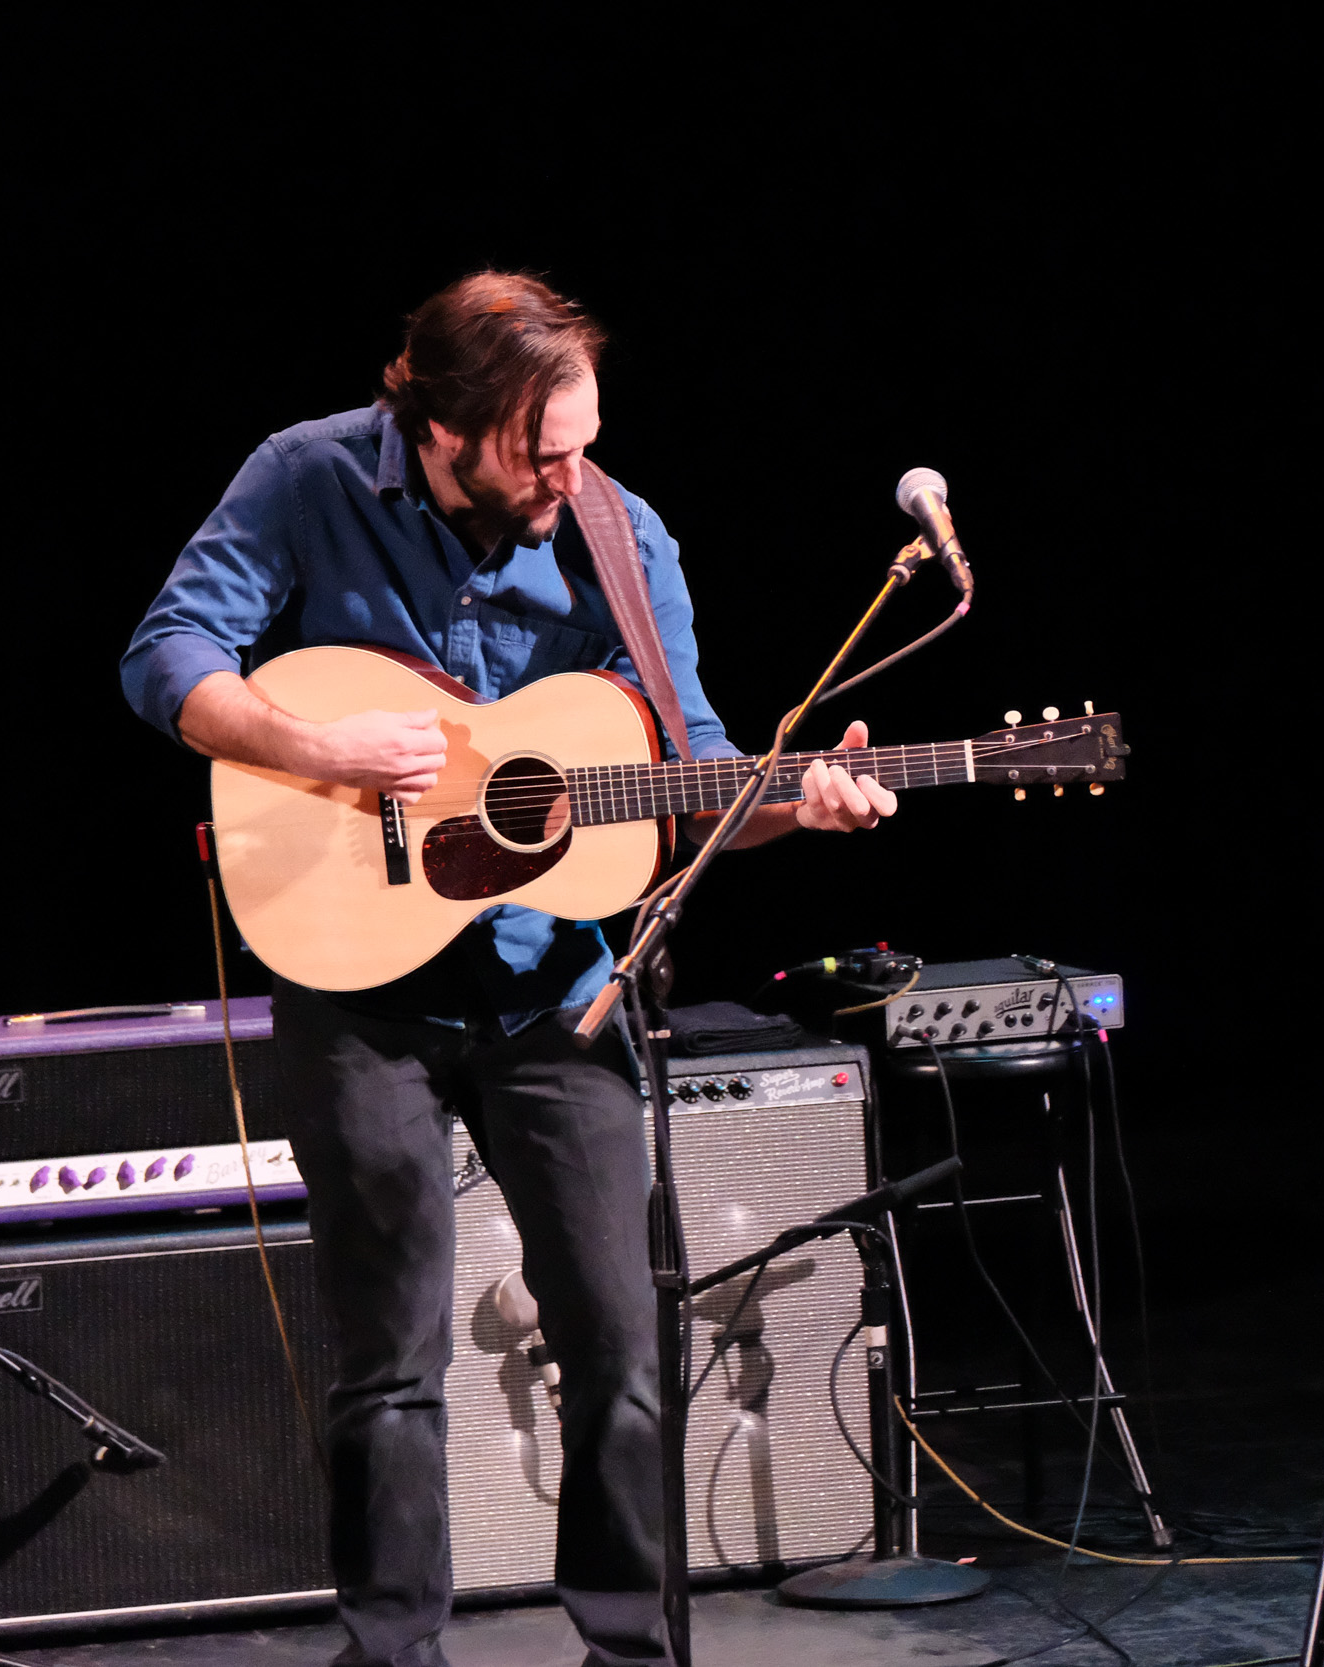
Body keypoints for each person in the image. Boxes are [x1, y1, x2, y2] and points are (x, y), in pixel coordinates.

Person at [120, 272, 896, 1667]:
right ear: (443, 427)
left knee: (623, 1340)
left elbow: (695, 769)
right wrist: (321, 749)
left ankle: (627, 1650)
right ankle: (393, 1656)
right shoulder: (305, 479)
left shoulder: (618, 529)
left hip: (558, 993)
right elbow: (163, 654)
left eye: (583, 444)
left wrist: (799, 798)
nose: (570, 474)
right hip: (360, 990)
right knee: (391, 1364)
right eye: (544, 452)